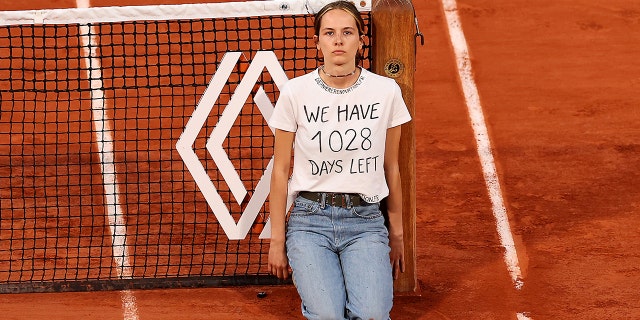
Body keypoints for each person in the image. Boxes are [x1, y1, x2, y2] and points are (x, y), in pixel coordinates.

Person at [267, 1, 411, 319]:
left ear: (361, 40)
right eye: (329, 33)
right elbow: (279, 172)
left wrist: (397, 235)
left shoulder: (385, 92)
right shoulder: (294, 93)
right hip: (309, 223)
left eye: (347, 32)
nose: (338, 40)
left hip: (366, 223)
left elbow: (392, 169)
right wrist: (277, 241)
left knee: (373, 315)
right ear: (317, 41)